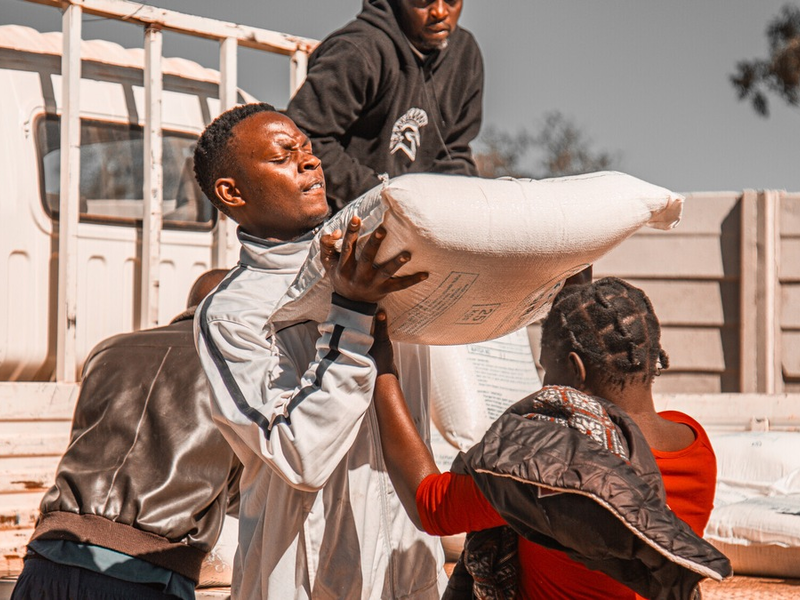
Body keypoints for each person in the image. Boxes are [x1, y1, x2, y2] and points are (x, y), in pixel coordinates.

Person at [192, 102, 445, 599]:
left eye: (308, 151)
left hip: (410, 572)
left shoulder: (386, 267)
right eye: (284, 155)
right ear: (232, 192)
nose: (309, 163)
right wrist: (350, 312)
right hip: (309, 582)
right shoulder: (231, 312)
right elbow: (299, 455)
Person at [371, 277, 722, 599]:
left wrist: (383, 370)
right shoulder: (694, 441)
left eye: (548, 369)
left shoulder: (547, 468)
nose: (544, 387)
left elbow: (430, 505)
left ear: (575, 369)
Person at [11, 269, 242, 600]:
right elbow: (245, 492)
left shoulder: (108, 350)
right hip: (145, 575)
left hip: (48, 559)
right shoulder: (236, 372)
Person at [286, 0, 483, 210]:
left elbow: (455, 152)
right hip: (343, 218)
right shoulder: (359, 50)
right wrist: (383, 197)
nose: (440, 12)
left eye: (452, 1)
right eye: (424, 2)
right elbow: (304, 139)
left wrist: (454, 211)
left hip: (415, 220)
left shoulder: (465, 54)